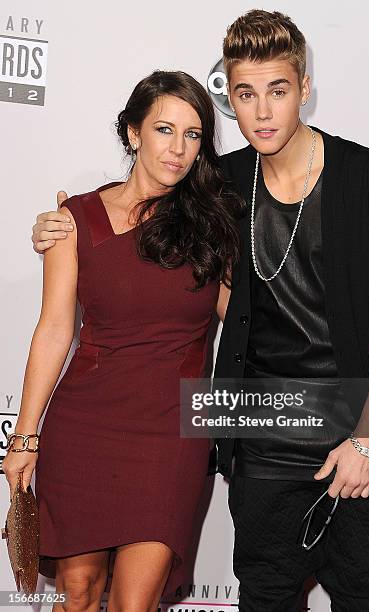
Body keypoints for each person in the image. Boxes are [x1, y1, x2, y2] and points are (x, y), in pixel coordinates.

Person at [30, 10, 369, 612]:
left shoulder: (367, 178)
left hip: (360, 427)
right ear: (230, 98)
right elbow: (136, 218)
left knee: (365, 597)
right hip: (262, 433)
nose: (262, 112)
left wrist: (367, 438)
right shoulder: (223, 185)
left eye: (278, 91)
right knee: (264, 599)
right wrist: (62, 224)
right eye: (245, 94)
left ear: (304, 90)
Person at [4, 70, 241, 612]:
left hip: (169, 434)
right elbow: (54, 331)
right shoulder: (75, 220)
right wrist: (24, 437)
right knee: (80, 596)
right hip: (85, 426)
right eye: (164, 129)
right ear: (133, 133)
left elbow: (245, 319)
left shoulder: (210, 223)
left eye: (193, 134)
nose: (178, 148)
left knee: (136, 604)